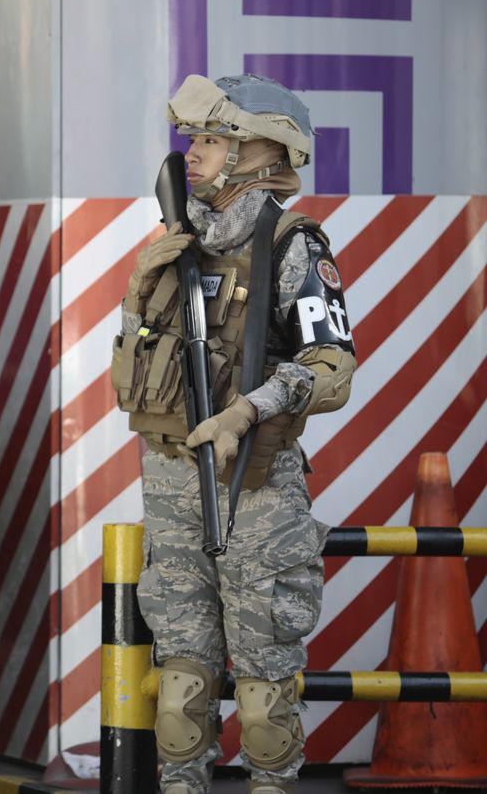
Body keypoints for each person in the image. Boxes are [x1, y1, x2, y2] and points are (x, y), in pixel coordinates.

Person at [110, 73, 357, 793]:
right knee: (181, 693)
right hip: (172, 486)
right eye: (194, 139)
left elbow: (332, 365)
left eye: (214, 140)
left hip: (254, 489)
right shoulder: (173, 242)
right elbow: (131, 376)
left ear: (260, 152)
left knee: (262, 694)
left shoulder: (291, 245)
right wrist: (133, 304)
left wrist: (248, 409)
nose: (195, 153)